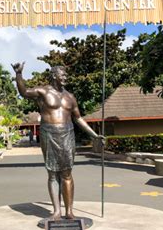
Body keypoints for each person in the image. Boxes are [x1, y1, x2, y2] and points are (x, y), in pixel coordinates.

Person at [12, 62, 102, 220]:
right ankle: (56, 212)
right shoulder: (43, 91)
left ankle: (69, 211)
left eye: (66, 75)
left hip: (67, 134)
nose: (65, 77)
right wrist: (19, 75)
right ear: (54, 76)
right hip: (49, 133)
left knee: (67, 173)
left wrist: (94, 135)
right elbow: (24, 92)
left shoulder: (70, 97)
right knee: (53, 174)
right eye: (63, 75)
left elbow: (78, 118)